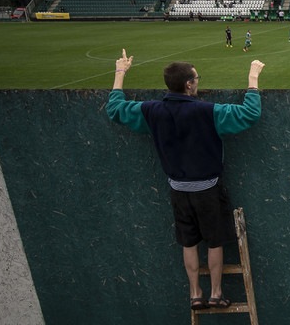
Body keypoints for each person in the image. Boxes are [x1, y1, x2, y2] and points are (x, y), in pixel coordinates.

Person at [106, 49, 265, 310]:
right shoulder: (207, 111)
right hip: (208, 190)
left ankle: (195, 294)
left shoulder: (152, 111)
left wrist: (120, 72)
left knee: (188, 242)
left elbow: (115, 109)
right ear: (189, 84)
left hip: (178, 191)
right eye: (196, 78)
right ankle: (215, 293)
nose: (198, 81)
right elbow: (249, 114)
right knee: (214, 242)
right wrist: (252, 79)